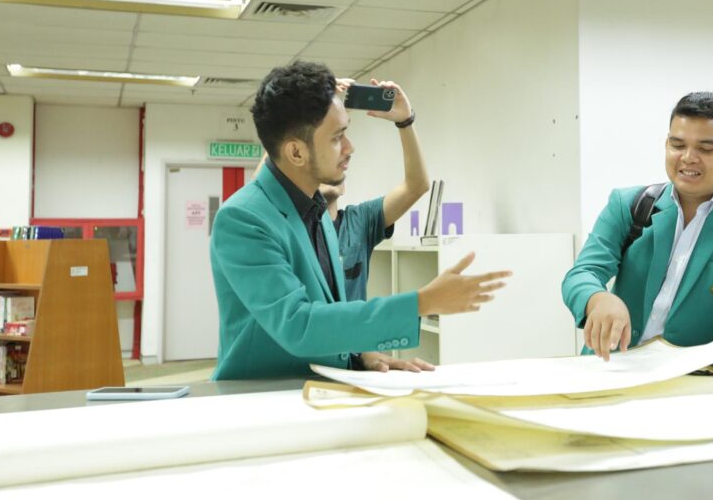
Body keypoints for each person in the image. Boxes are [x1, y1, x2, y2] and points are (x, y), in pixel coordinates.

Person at [210, 61, 509, 379]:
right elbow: (299, 325)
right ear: (296, 153)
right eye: (337, 137)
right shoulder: (243, 220)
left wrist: (361, 355)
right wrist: (422, 302)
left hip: (322, 389)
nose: (350, 148)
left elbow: (327, 310)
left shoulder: (316, 212)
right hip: (261, 402)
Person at [561, 92, 713, 367]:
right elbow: (582, 273)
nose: (688, 158)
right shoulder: (629, 206)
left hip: (692, 381)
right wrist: (596, 298)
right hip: (611, 367)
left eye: (706, 149)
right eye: (677, 145)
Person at [253, 77, 429, 302]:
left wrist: (405, 122)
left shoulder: (361, 220)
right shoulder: (291, 224)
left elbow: (417, 185)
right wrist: (301, 117)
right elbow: (261, 187)